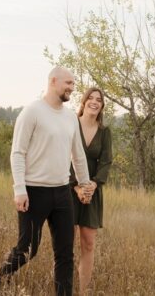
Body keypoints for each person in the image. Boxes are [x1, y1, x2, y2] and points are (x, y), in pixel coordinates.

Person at [0, 67, 95, 296]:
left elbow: (78, 155)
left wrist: (85, 184)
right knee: (27, 250)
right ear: (53, 81)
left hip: (62, 193)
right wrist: (19, 189)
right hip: (33, 192)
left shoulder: (70, 117)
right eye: (68, 83)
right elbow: (17, 153)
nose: (72, 88)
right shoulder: (32, 112)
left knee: (65, 254)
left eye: (73, 84)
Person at [69, 87, 112, 294]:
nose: (94, 102)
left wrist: (92, 185)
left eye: (99, 100)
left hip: (91, 192)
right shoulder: (70, 124)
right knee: (65, 245)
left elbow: (106, 162)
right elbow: (60, 157)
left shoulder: (105, 132)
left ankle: (82, 291)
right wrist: (76, 186)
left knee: (88, 244)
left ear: (102, 106)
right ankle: (64, 289)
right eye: (91, 98)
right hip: (67, 189)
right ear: (84, 101)